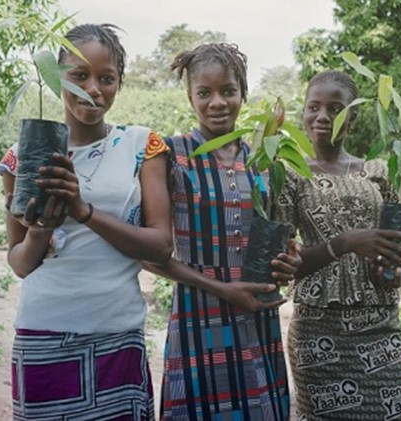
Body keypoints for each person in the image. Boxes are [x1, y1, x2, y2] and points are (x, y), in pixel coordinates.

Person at [0, 24, 173, 420]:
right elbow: (20, 264)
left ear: (119, 83)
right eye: (79, 76)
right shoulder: (22, 155)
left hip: (118, 334)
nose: (93, 89)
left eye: (106, 78)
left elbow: (162, 246)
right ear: (56, 77)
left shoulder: (142, 146)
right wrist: (41, 230)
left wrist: (84, 212)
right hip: (43, 333)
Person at [143, 43, 299, 421]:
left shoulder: (263, 160)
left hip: (257, 316)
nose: (218, 102)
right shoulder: (171, 155)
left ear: (243, 93)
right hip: (199, 315)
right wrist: (222, 289)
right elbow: (151, 254)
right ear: (190, 96)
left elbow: (280, 235)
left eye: (228, 91)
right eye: (205, 92)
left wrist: (288, 259)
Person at [273, 70, 401, 420]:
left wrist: (398, 270)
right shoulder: (290, 174)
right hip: (318, 329)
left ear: (351, 118)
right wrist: (345, 243)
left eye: (336, 109)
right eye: (314, 107)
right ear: (304, 113)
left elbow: (392, 245)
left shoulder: (377, 171)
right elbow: (284, 264)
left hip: (380, 320)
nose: (322, 117)